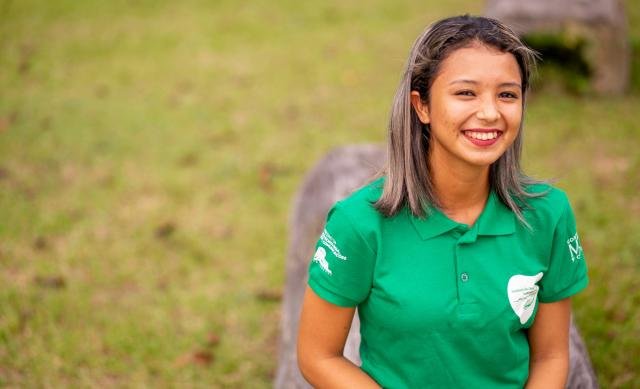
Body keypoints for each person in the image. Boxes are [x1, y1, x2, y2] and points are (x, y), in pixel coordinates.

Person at [296, 15, 589, 388]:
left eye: (507, 94)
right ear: (422, 107)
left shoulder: (549, 215)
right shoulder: (359, 223)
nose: (490, 113)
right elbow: (317, 355)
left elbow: (551, 355)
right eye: (466, 93)